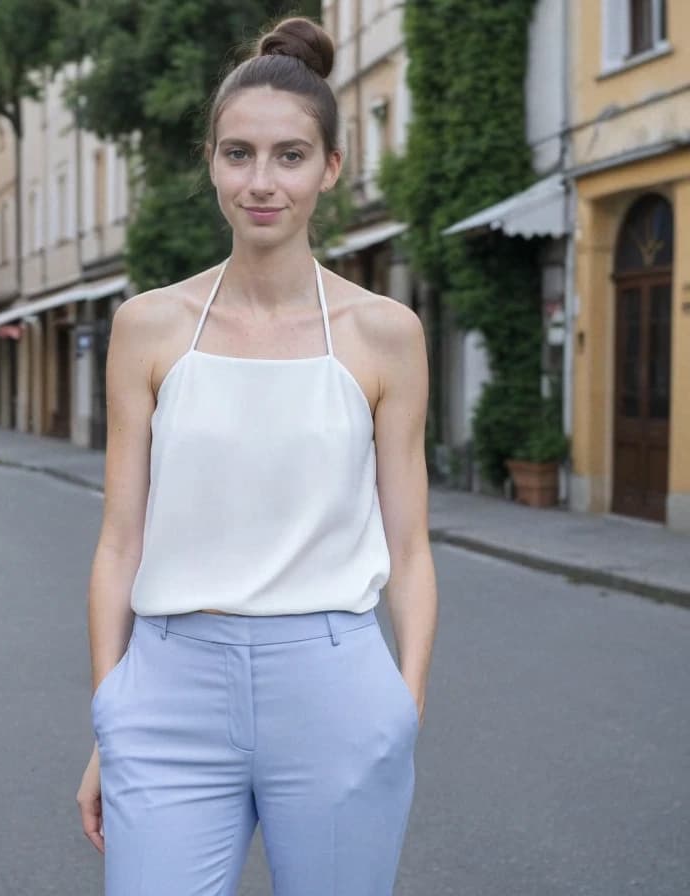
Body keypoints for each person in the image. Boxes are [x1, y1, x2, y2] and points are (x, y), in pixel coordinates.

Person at [76, 17, 438, 896]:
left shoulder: (386, 335)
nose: (262, 181)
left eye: (289, 155)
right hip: (167, 689)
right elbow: (121, 541)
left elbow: (412, 549)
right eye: (239, 154)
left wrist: (403, 706)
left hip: (336, 687)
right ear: (211, 162)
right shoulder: (149, 328)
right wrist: (111, 719)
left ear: (330, 169)